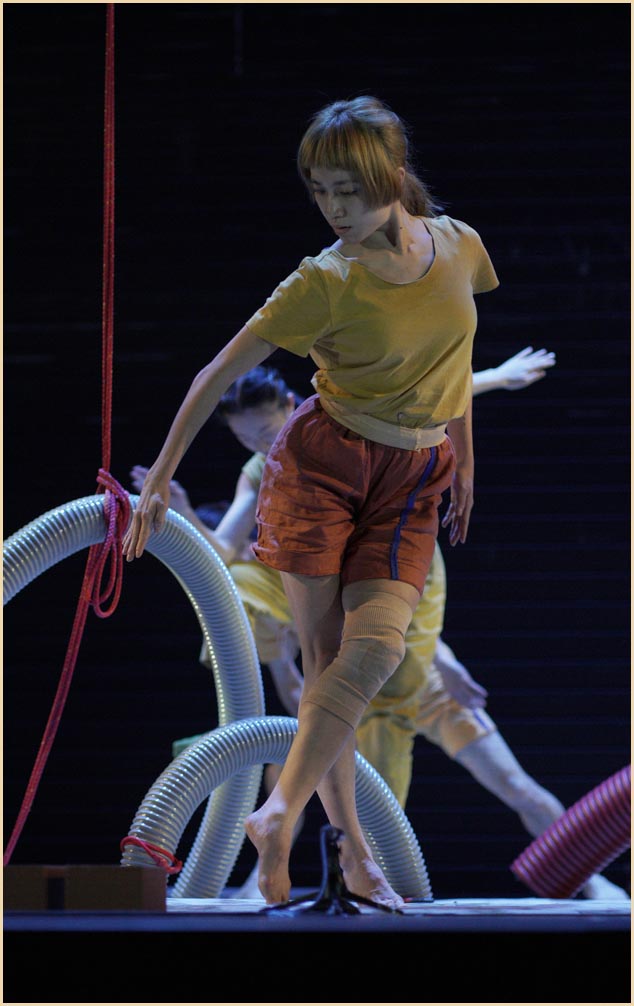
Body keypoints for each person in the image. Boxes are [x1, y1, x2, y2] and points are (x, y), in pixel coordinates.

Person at [123, 94, 501, 909]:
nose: (333, 208)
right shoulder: (324, 280)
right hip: (322, 470)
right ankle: (353, 857)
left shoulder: (461, 246)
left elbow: (456, 358)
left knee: (372, 654)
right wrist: (157, 481)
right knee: (326, 661)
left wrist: (464, 458)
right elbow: (213, 377)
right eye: (320, 191)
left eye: (348, 190)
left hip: (414, 477)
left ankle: (279, 814)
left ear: (392, 174)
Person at [134, 358, 628, 902]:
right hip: (365, 682)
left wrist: (496, 378)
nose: (261, 446)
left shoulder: (344, 439)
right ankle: (275, 879)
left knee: (514, 784)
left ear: (292, 409)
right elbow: (228, 558)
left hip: (416, 669)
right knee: (326, 779)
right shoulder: (276, 490)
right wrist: (178, 511)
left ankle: (590, 882)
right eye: (247, 440)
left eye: (267, 433)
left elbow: (424, 402)